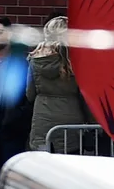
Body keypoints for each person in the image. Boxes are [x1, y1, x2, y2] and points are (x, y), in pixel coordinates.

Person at [0, 18, 33, 182]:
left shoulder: (21, 63)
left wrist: (16, 119)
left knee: (11, 177)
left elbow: (29, 95)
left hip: (11, 130)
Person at [25, 16, 84, 154]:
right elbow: (84, 95)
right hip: (71, 119)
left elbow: (29, 94)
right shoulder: (77, 62)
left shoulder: (35, 60)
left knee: (43, 167)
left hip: (42, 119)